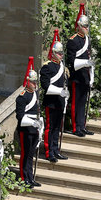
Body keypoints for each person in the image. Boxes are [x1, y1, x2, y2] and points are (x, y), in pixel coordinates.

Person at [39, 32, 70, 161]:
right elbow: (45, 86)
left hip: (60, 101)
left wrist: (65, 94)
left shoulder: (63, 67)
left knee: (57, 127)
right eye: (59, 53)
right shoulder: (47, 67)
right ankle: (49, 152)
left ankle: (56, 150)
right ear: (53, 53)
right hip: (51, 101)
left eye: (62, 53)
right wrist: (59, 92)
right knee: (50, 127)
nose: (61, 55)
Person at [66, 4, 95, 136]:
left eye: (87, 26)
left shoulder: (87, 39)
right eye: (84, 26)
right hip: (77, 75)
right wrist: (85, 63)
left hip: (85, 75)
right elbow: (72, 61)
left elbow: (88, 56)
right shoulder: (73, 41)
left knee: (83, 102)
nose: (86, 28)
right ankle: (75, 127)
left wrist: (91, 75)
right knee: (76, 103)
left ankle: (82, 126)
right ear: (79, 26)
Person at [16, 57, 41, 187]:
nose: (35, 84)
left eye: (36, 82)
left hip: (34, 128)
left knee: (31, 154)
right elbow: (20, 116)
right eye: (33, 82)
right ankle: (23, 177)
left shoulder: (36, 94)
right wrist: (32, 123)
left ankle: (30, 177)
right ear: (27, 82)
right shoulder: (22, 96)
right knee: (25, 154)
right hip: (25, 129)